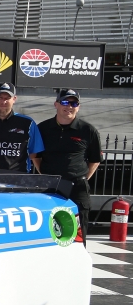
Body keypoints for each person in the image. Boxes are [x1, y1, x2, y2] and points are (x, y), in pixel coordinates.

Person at [32, 89, 101, 233]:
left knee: (78, 230)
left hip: (77, 187)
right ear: (56, 104)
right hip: (50, 187)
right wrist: (45, 173)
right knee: (49, 228)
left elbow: (95, 160)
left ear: (78, 106)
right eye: (65, 102)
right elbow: (35, 156)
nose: (69, 106)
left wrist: (83, 177)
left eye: (74, 103)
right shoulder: (42, 128)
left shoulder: (88, 130)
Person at [0, 82, 43, 172]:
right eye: (0, 97)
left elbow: (34, 154)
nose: (4, 102)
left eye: (8, 98)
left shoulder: (28, 123)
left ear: (14, 99)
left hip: (18, 180)